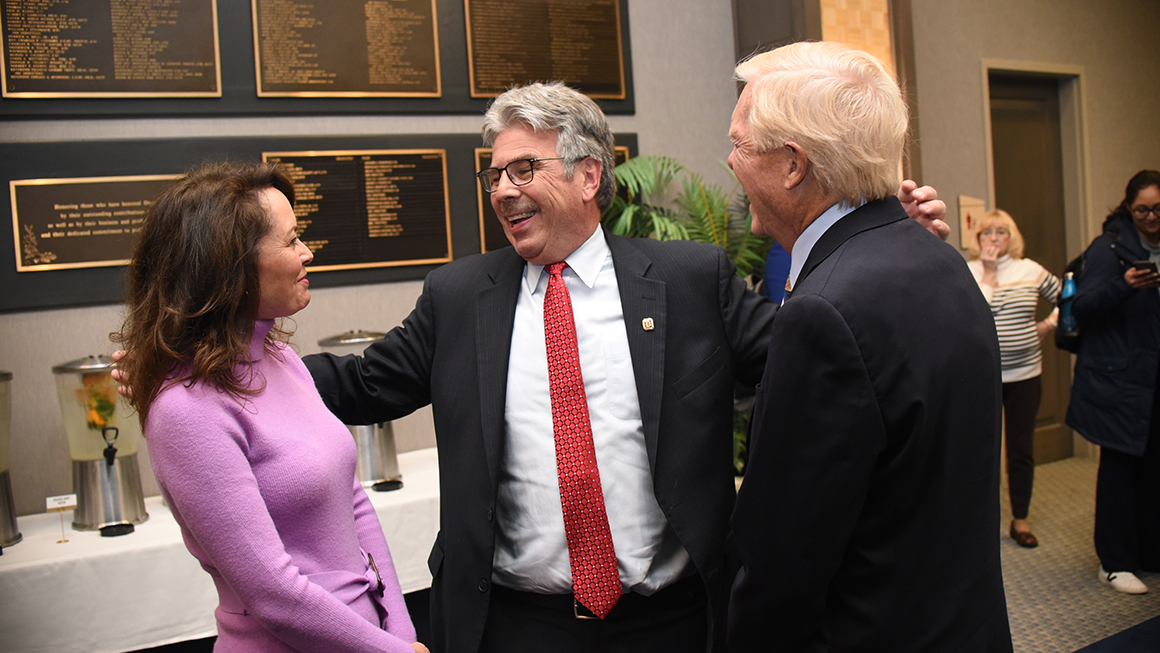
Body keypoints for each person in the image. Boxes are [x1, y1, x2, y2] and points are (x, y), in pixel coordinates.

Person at [298, 82, 949, 652]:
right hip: (515, 624)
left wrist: (880, 259)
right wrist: (238, 362)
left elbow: (816, 367)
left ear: (588, 175)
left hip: (670, 620)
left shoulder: (690, 281)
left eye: (523, 169)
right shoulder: (459, 296)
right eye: (493, 174)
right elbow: (363, 385)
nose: (502, 190)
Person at [726, 42, 1013, 652]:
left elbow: (785, 562)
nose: (729, 161)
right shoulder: (938, 259)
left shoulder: (825, 312)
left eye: (741, 144)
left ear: (793, 165)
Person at [112, 162, 426, 653]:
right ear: (229, 266)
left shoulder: (282, 359)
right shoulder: (184, 411)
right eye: (291, 239)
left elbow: (353, 502)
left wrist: (401, 632)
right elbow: (274, 595)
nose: (307, 252)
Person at [1067, 169, 1160, 595]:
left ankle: (1148, 553)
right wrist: (1124, 286)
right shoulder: (1109, 248)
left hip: (1151, 378)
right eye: (1142, 209)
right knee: (1119, 471)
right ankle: (1115, 562)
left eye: (1158, 209)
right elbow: (1082, 306)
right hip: (1117, 379)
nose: (1151, 217)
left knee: (1152, 469)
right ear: (1128, 208)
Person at [968, 209, 1062, 548]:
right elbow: (972, 319)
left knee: (1021, 450)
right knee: (981, 451)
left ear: (1013, 236)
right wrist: (989, 275)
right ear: (977, 239)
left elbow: (1070, 296)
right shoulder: (969, 271)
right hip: (984, 376)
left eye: (1001, 231)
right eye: (986, 232)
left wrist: (1049, 324)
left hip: (1025, 374)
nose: (994, 237)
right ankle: (980, 523)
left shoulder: (1031, 270)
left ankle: (1020, 520)